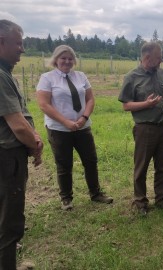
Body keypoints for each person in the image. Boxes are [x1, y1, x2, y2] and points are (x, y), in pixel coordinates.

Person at [36, 45, 113, 211]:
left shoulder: (81, 76)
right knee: (64, 164)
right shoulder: (47, 78)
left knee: (90, 161)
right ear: (56, 59)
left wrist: (84, 118)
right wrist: (65, 122)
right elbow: (44, 104)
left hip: (82, 127)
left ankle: (95, 193)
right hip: (59, 129)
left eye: (70, 58)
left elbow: (90, 99)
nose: (67, 61)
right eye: (63, 58)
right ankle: (66, 198)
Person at [0, 20, 43, 270]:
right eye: (18, 43)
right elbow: (17, 125)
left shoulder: (6, 73)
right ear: (1, 42)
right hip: (8, 158)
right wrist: (35, 143)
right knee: (10, 221)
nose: (22, 49)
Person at [118, 41, 163, 216]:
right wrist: (146, 104)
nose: (162, 60)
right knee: (141, 167)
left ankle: (161, 201)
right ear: (147, 57)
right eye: (159, 57)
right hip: (145, 129)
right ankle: (141, 202)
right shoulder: (132, 77)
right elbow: (126, 105)